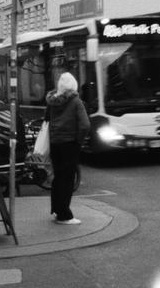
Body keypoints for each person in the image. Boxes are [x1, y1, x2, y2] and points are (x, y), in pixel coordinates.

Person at [45, 72, 90, 225]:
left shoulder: (52, 101)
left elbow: (47, 120)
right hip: (69, 144)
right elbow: (85, 125)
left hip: (55, 144)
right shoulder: (76, 101)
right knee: (68, 179)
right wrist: (79, 141)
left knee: (58, 178)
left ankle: (57, 210)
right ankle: (65, 215)